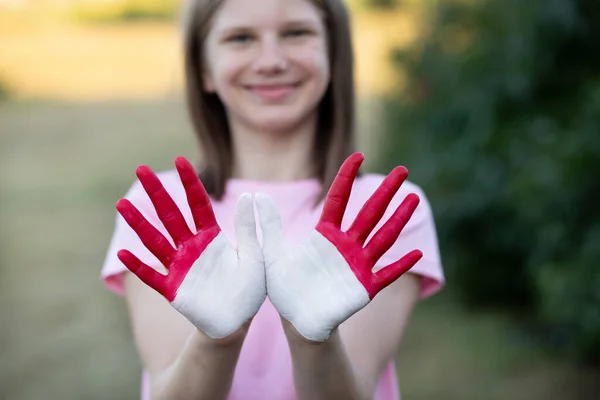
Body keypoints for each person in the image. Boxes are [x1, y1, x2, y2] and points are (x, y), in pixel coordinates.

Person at [100, 0, 445, 398]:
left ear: (334, 53)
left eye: (296, 33)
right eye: (240, 37)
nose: (271, 61)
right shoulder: (161, 211)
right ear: (203, 69)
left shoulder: (383, 214)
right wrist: (217, 339)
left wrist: (314, 339)